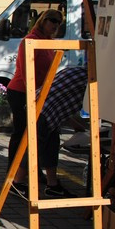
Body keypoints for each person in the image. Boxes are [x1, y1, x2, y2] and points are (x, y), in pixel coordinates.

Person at [7, 9, 64, 199]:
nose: (55, 25)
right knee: (22, 134)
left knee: (39, 135)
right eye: (52, 20)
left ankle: (33, 173)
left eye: (59, 22)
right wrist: (33, 96)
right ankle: (13, 175)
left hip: (39, 93)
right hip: (22, 92)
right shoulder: (30, 40)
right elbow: (26, 72)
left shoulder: (48, 42)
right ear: (43, 20)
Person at [36, 66, 88, 198]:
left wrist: (75, 125)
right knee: (34, 150)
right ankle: (17, 182)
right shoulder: (87, 81)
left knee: (51, 148)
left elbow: (62, 101)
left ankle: (52, 185)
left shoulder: (74, 71)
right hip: (43, 113)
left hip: (44, 111)